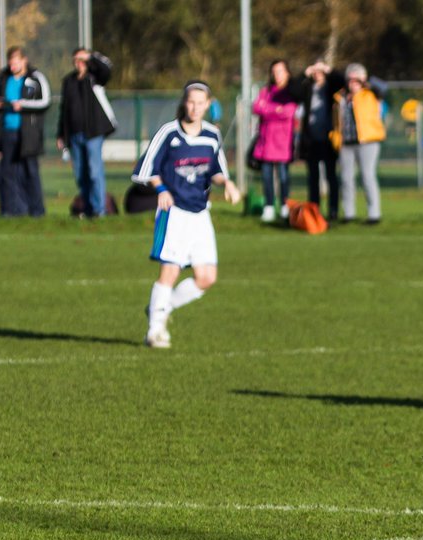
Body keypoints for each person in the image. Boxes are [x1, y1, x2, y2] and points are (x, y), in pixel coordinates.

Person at [132, 81, 241, 349]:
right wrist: (161, 189)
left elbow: (216, 170)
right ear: (184, 102)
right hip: (174, 212)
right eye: (191, 102)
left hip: (200, 213)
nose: (195, 107)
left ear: (208, 105)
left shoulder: (212, 135)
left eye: (200, 103)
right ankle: (155, 331)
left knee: (207, 278)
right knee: (169, 271)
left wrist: (227, 183)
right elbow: (144, 170)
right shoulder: (168, 133)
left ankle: (161, 307)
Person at [0, 47, 51, 217]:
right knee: (7, 172)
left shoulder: (35, 78)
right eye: (10, 62)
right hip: (7, 132)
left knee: (30, 171)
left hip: (27, 134)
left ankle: (37, 211)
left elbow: (45, 102)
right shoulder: (3, 78)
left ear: (24, 60)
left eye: (16, 61)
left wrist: (23, 105)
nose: (12, 65)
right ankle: (10, 210)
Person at [56, 47, 116, 218]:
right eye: (76, 60)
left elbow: (106, 69)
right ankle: (87, 208)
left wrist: (91, 58)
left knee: (94, 171)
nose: (79, 63)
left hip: (93, 133)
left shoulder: (95, 78)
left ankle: (99, 210)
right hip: (74, 134)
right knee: (81, 174)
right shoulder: (69, 81)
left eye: (82, 60)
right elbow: (64, 109)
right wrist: (61, 134)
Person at [330, 63, 387, 224]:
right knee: (346, 178)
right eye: (350, 79)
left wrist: (364, 82)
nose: (353, 83)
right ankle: (348, 213)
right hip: (346, 142)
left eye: (356, 79)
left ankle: (374, 214)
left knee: (367, 176)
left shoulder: (371, 94)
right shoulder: (340, 97)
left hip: (367, 141)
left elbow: (383, 87)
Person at [289, 60, 344, 222]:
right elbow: (293, 91)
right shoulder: (307, 88)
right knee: (313, 179)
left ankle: (333, 211)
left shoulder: (331, 88)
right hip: (311, 140)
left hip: (328, 140)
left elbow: (342, 81)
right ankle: (315, 211)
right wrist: (305, 73)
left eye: (321, 71)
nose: (318, 74)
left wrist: (329, 69)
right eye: (316, 71)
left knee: (331, 177)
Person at [252, 59, 299, 223]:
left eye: (280, 71)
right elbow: (257, 107)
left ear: (287, 73)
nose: (277, 75)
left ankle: (285, 206)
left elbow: (288, 112)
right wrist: (274, 110)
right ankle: (269, 207)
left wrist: (269, 110)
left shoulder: (291, 92)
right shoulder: (266, 91)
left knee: (284, 176)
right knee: (266, 177)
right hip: (266, 142)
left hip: (283, 142)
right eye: (275, 72)